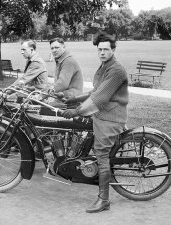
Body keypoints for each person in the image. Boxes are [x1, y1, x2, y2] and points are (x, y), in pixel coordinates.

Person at [62, 30, 129, 213]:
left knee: (101, 155)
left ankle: (104, 200)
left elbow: (100, 97)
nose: (102, 53)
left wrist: (77, 110)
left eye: (106, 50)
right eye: (100, 49)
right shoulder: (104, 67)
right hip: (102, 114)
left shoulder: (116, 70)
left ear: (113, 50)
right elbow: (94, 92)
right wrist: (74, 100)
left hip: (111, 117)